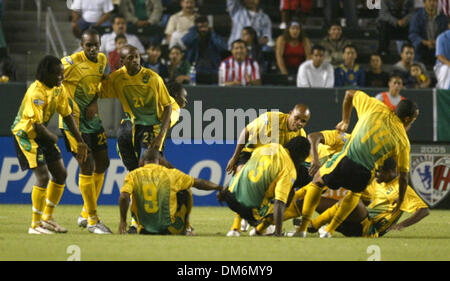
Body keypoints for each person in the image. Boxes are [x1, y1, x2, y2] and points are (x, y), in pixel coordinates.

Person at [296, 89, 419, 238]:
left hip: (347, 159)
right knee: (354, 195)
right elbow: (404, 176)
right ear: (407, 119)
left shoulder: (375, 105)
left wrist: (345, 120)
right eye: (414, 118)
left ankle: (302, 228)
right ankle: (329, 230)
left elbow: (349, 94)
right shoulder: (403, 141)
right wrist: (400, 201)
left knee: (317, 181)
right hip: (366, 173)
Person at [10, 55, 88, 234]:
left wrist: (81, 141)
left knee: (61, 174)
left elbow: (67, 116)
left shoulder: (59, 89)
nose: (62, 77)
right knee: (43, 177)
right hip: (26, 135)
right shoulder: (36, 92)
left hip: (41, 134)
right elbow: (36, 125)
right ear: (47, 74)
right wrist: (53, 137)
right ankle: (35, 225)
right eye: (58, 74)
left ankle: (47, 218)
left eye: (62, 74)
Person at [224, 104, 311, 236]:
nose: (299, 123)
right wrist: (235, 157)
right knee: (242, 174)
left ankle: (266, 224)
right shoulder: (271, 119)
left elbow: (293, 163)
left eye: (303, 121)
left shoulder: (301, 135)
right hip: (252, 154)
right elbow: (246, 131)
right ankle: (236, 227)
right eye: (296, 118)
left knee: (287, 192)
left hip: (273, 165)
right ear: (290, 113)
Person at [58, 29, 112, 234]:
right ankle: (92, 220)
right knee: (86, 164)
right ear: (82, 45)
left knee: (104, 162)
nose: (92, 49)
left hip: (92, 120)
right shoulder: (70, 63)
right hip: (73, 123)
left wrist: (94, 102)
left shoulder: (102, 60)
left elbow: (98, 82)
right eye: (88, 45)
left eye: (95, 45)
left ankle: (85, 211)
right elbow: (52, 79)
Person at [307, 158, 430, 238]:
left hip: (370, 229)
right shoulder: (377, 182)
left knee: (353, 201)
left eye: (379, 171)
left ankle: (317, 224)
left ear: (389, 172)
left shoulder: (401, 188)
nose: (376, 174)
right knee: (317, 200)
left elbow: (424, 210)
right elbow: (365, 199)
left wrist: (401, 225)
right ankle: (313, 224)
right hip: (358, 222)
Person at [98, 45, 173, 171]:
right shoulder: (116, 78)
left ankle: (180, 184)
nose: (135, 60)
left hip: (151, 126)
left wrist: (161, 135)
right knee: (134, 170)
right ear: (122, 62)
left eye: (137, 57)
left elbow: (168, 106)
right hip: (131, 125)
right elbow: (98, 92)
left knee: (148, 167)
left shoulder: (153, 78)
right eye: (130, 58)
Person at [119, 148, 223, 235]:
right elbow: (199, 182)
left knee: (131, 192)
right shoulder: (171, 174)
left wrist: (123, 221)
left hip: (143, 230)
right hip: (168, 229)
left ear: (141, 162)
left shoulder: (133, 175)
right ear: (160, 161)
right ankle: (186, 227)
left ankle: (135, 224)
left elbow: (124, 197)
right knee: (186, 190)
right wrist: (219, 187)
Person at [408, 0, 448, 66]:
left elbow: (445, 34)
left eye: (434, 1)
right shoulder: (417, 16)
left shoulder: (443, 18)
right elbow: (413, 34)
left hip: (437, 49)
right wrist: (425, 42)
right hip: (421, 49)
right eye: (429, 1)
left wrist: (437, 42)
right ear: (424, 3)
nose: (432, 3)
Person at [434, 19, 450, 89]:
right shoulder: (441, 37)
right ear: (449, 26)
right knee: (446, 69)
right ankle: (444, 93)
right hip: (442, 65)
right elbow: (440, 56)